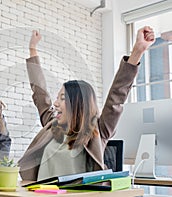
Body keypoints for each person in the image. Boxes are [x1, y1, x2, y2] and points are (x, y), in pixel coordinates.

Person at [18, 26, 155, 181]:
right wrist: (32, 49)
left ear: (77, 103)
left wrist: (137, 52)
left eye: (62, 98)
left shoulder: (97, 131)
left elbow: (116, 98)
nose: (55, 104)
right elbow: (40, 93)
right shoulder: (52, 126)